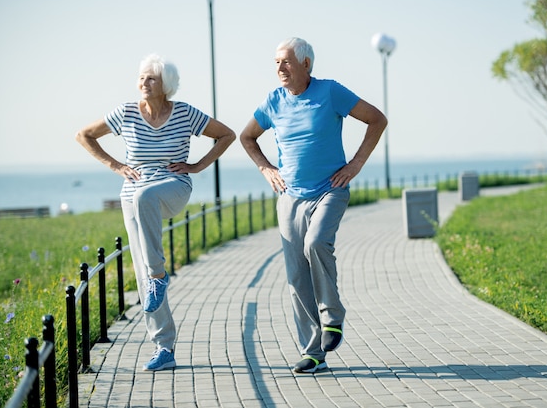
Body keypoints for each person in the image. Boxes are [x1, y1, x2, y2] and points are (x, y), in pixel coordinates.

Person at [76, 53, 236, 371]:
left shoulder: (185, 113)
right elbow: (84, 135)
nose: (144, 83)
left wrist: (197, 166)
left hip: (173, 186)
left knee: (148, 202)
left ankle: (159, 276)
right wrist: (116, 165)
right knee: (143, 271)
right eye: (141, 77)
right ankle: (164, 346)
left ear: (166, 84)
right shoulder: (125, 113)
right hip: (132, 194)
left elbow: (226, 134)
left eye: (151, 78)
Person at [240, 37, 387, 374]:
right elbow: (246, 137)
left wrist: (356, 165)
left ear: (306, 64)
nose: (280, 68)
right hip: (289, 195)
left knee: (316, 242)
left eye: (286, 61)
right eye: (276, 62)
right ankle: (313, 352)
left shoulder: (330, 92)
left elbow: (376, 119)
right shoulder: (273, 101)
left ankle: (332, 316)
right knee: (296, 276)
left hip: (329, 190)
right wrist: (266, 169)